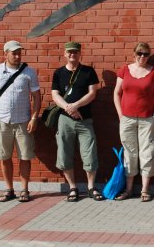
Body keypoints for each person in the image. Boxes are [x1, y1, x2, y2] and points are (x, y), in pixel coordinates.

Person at [0, 40, 41, 202]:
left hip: (23, 121)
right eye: (14, 53)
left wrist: (34, 118)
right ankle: (9, 189)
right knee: (4, 156)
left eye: (19, 53)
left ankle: (24, 190)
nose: (17, 56)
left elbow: (37, 96)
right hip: (2, 121)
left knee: (25, 156)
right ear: (5, 54)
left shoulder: (29, 72)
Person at [51, 41, 103, 202]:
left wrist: (76, 105)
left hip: (84, 120)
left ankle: (91, 187)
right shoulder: (59, 73)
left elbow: (92, 93)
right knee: (64, 153)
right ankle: (73, 187)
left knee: (90, 153)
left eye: (75, 52)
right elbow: (55, 95)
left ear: (80, 53)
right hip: (64, 120)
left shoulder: (88, 71)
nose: (72, 54)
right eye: (69, 52)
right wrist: (68, 108)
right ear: (65, 54)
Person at [113, 43, 154, 201]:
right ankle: (129, 190)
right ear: (134, 54)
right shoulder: (125, 70)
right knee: (129, 153)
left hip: (147, 119)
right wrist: (121, 115)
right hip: (127, 119)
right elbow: (116, 93)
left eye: (146, 54)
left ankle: (145, 190)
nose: (142, 57)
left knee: (147, 153)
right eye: (140, 53)